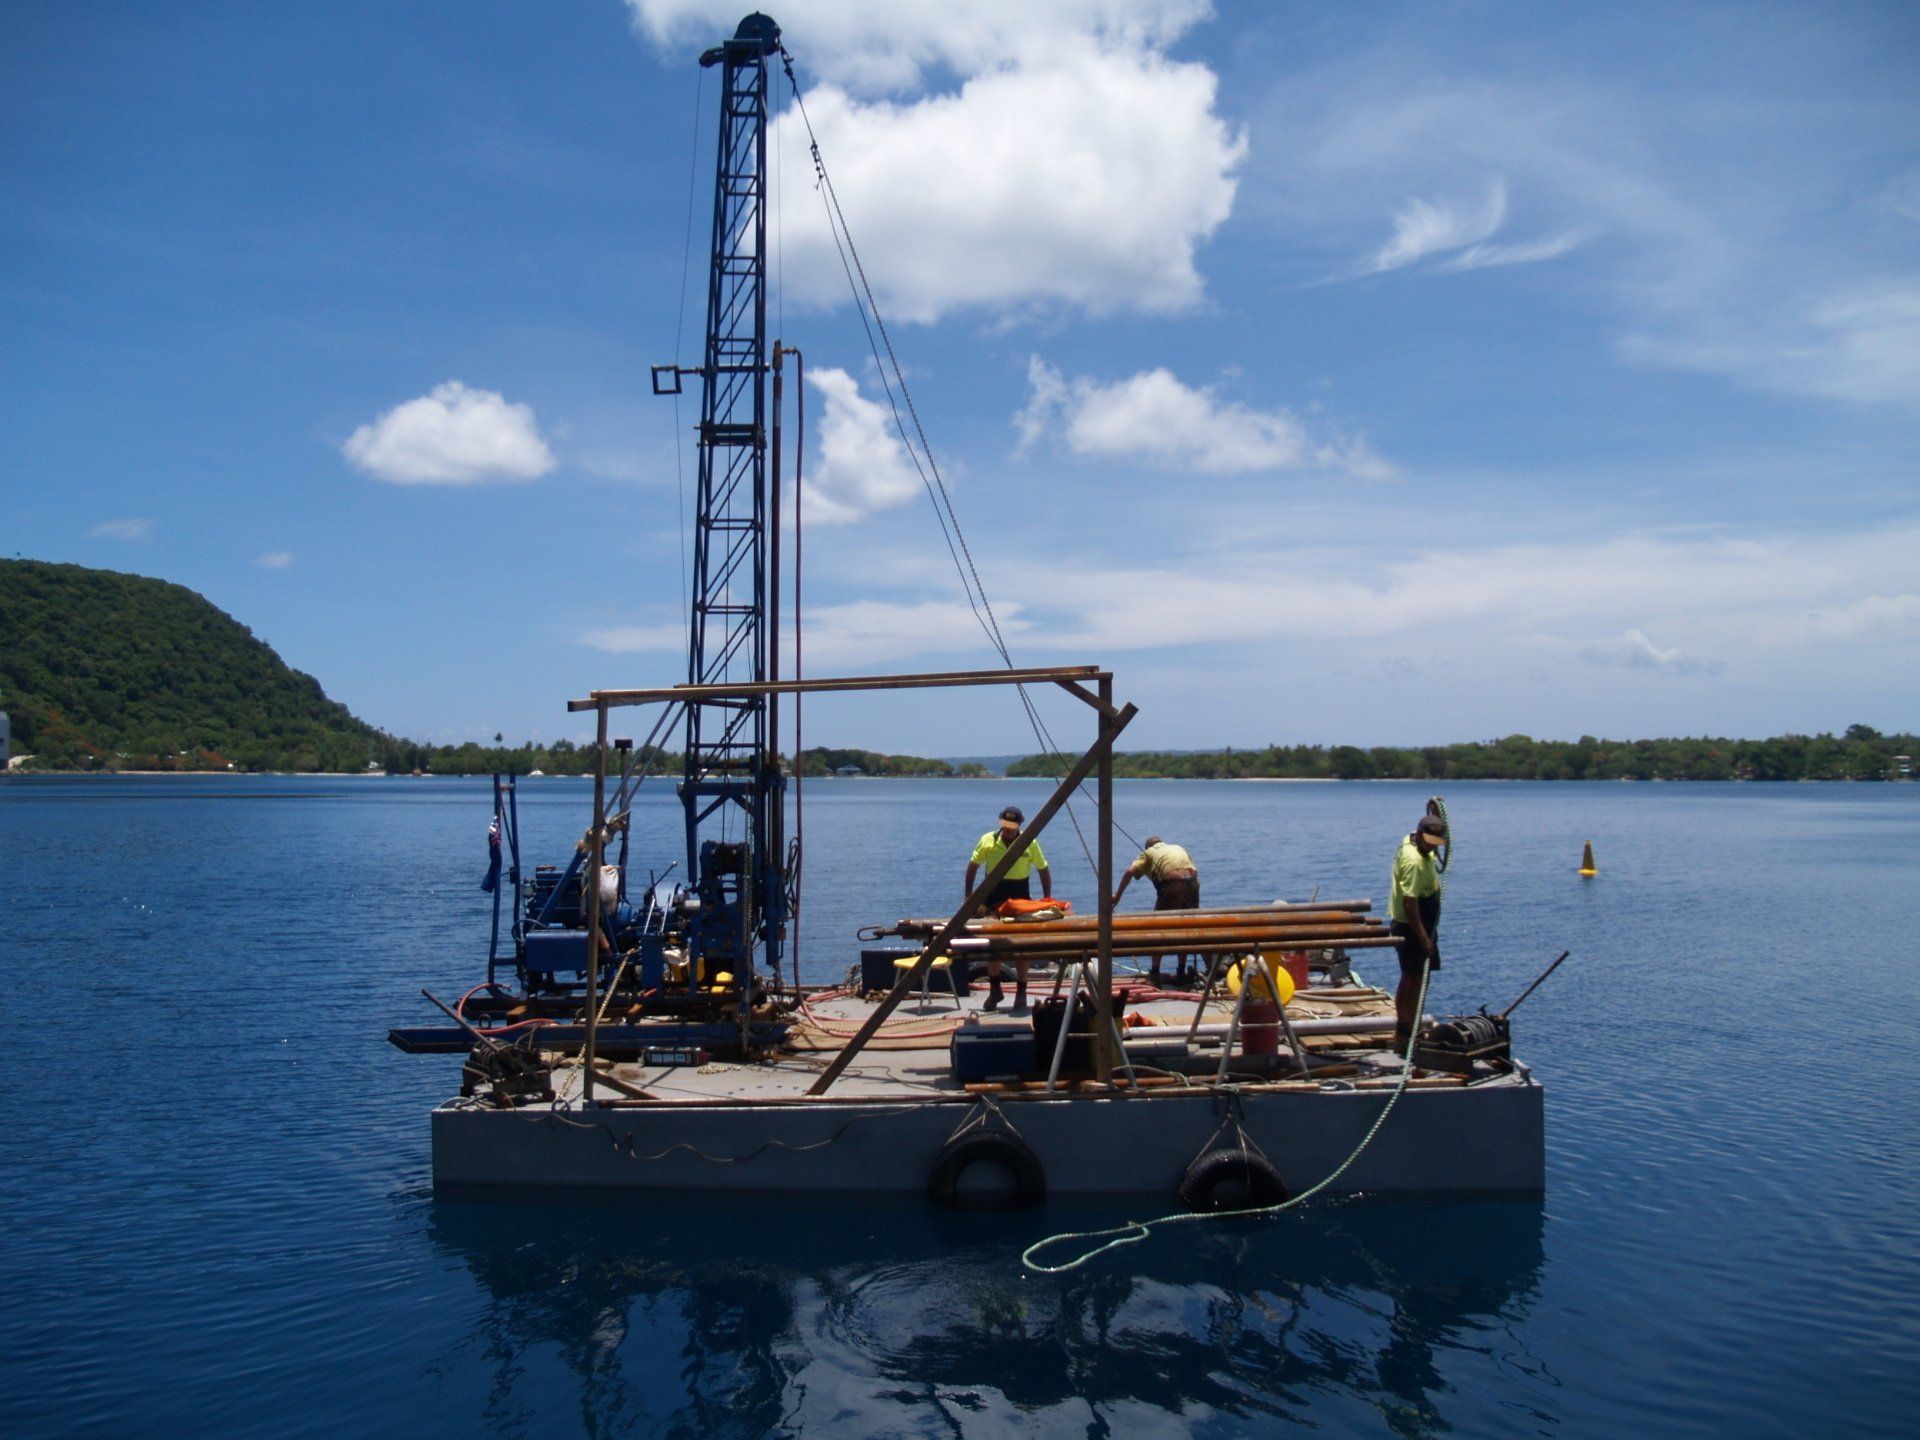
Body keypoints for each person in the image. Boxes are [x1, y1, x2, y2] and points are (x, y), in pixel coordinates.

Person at [963, 805, 1051, 1011]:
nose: (1009, 829)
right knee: (993, 946)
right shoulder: (987, 840)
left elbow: (1043, 869)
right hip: (992, 898)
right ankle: (995, 990)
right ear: (1000, 821)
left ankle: (1021, 992)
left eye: (1013, 825)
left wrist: (1047, 898)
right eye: (1005, 824)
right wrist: (969, 895)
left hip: (1020, 898)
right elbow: (973, 866)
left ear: (1020, 824)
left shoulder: (1030, 843)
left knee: (1021, 948)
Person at [1388, 813, 1448, 1050]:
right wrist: (1424, 938)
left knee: (1418, 976)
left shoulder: (1413, 840)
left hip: (1425, 921)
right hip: (1410, 925)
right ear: (1421, 837)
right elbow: (1409, 904)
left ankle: (1409, 1026)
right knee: (1412, 977)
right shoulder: (1413, 861)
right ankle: (1406, 1029)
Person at [1110, 836, 1200, 981]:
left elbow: (1129, 872)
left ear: (1148, 846)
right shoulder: (1177, 846)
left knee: (1158, 929)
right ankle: (1181, 972)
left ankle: (1155, 973)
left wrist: (1117, 896)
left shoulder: (1148, 853)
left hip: (1172, 884)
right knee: (1185, 929)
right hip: (1193, 883)